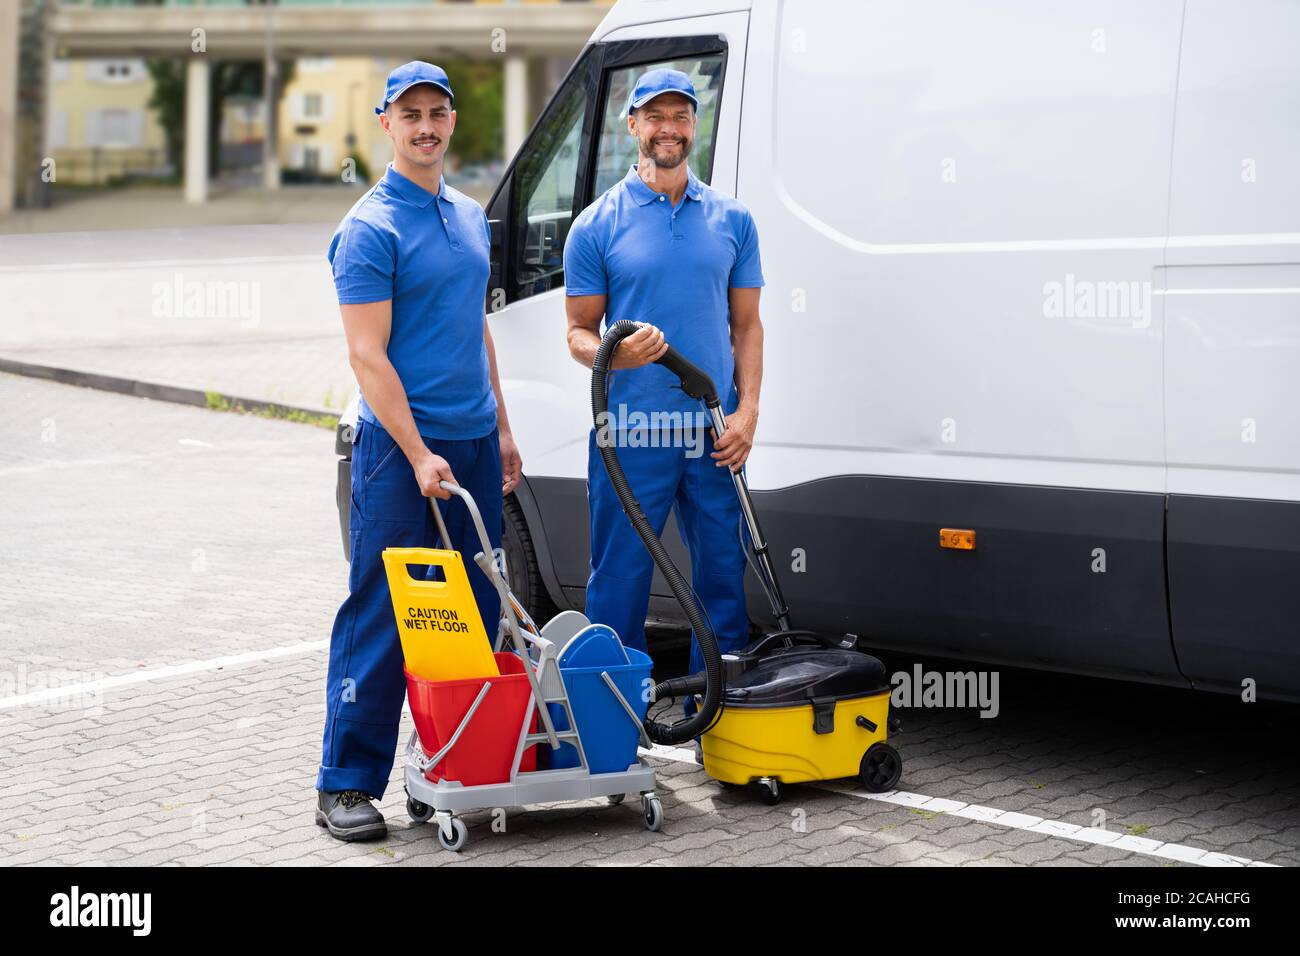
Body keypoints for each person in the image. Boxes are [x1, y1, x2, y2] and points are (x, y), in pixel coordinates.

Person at [315, 61, 522, 841]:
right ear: (386, 124)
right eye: (411, 116)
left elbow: (475, 328)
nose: (426, 127)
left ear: (451, 121)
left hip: (470, 442)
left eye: (437, 113)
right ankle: (345, 784)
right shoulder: (370, 227)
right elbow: (367, 356)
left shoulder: (469, 215)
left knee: (470, 617)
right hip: (400, 453)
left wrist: (500, 428)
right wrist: (416, 451)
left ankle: (450, 770)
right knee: (386, 615)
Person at [563, 68, 766, 680]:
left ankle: (726, 710)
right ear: (633, 127)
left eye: (680, 116)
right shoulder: (596, 225)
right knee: (620, 575)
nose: (668, 129)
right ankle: (616, 713)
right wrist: (614, 355)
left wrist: (747, 412)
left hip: (713, 430)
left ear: (694, 127)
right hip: (630, 431)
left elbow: (748, 327)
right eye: (655, 116)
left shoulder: (733, 220)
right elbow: (578, 333)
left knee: (722, 576)